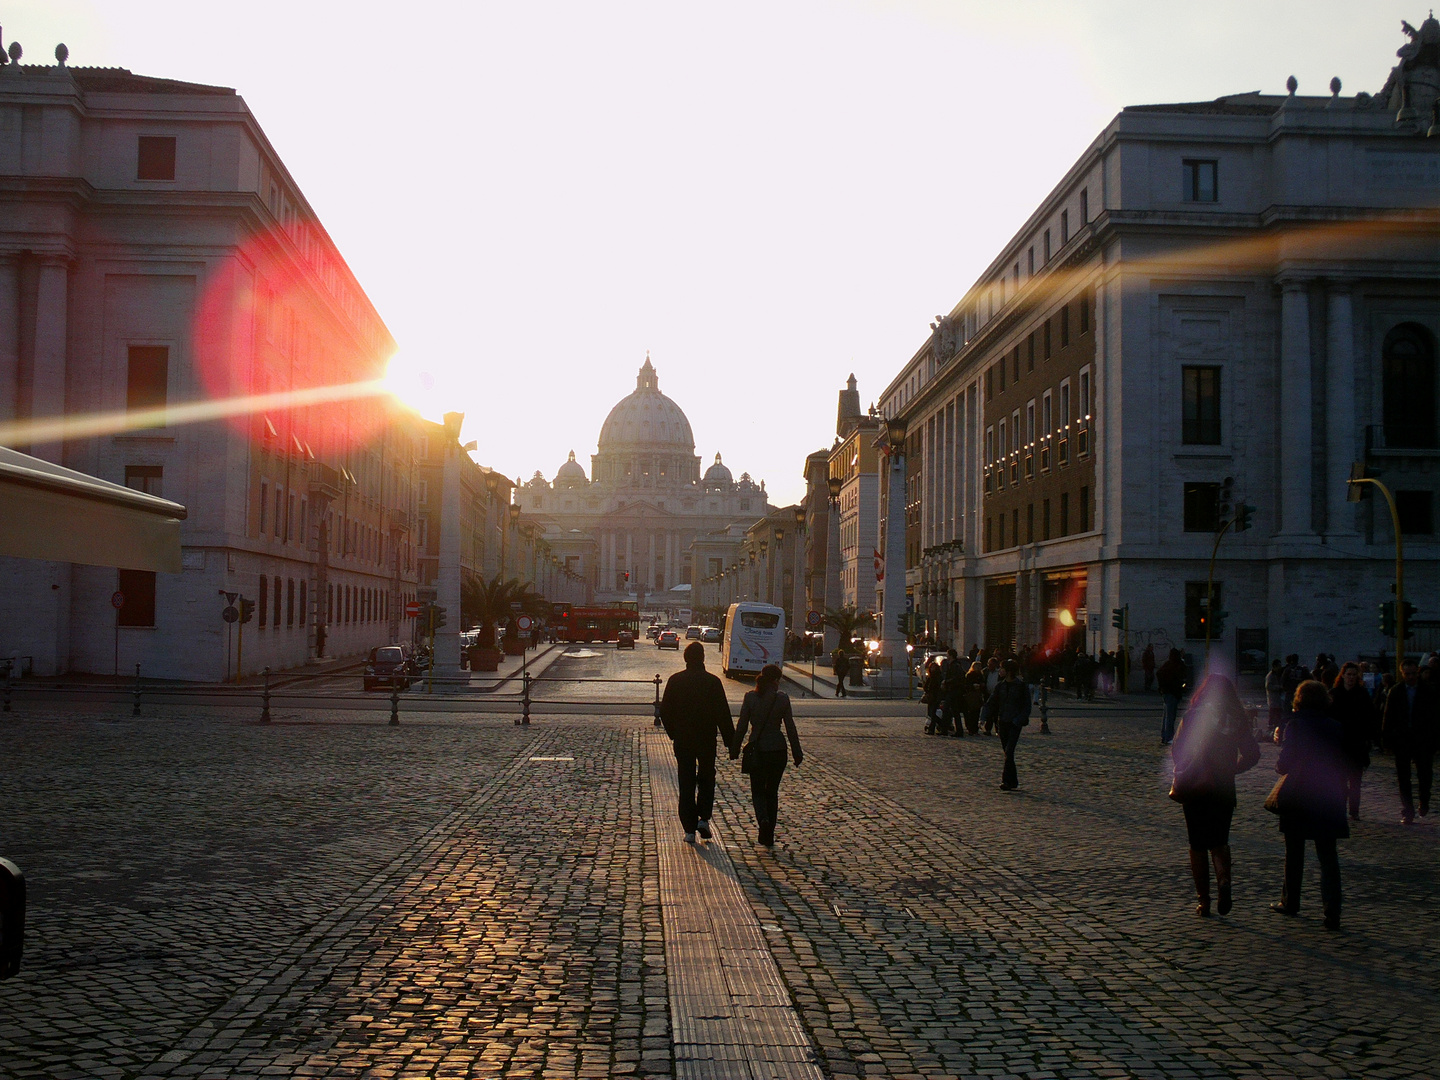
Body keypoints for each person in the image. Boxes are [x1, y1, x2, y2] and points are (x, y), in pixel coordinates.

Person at [1170, 674, 1260, 916]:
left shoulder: (1192, 717)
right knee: (1219, 841)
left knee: (1197, 844)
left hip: (1196, 787)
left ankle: (1204, 901)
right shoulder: (1236, 720)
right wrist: (1232, 770)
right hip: (1223, 788)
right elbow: (1253, 754)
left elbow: (1177, 750)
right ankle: (1224, 881)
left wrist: (1189, 766)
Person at [1272, 680, 1349, 930]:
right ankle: (1332, 912)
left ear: (1299, 700)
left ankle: (1290, 901)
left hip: (1299, 796)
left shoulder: (1295, 725)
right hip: (1328, 796)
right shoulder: (1335, 726)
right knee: (1328, 856)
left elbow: (1284, 764)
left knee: (1294, 853)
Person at [659, 641, 736, 843]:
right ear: (703, 658)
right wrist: (731, 742)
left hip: (684, 739)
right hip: (706, 739)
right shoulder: (712, 682)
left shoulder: (675, 681)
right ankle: (703, 817)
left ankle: (689, 829)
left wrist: (674, 733)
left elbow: (665, 711)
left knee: (686, 782)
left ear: (685, 658)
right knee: (707, 778)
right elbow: (723, 715)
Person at [731, 663, 803, 846]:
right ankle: (769, 833)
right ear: (776, 681)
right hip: (778, 750)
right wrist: (797, 752)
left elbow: (742, 726)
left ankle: (762, 819)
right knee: (772, 792)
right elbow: (790, 727)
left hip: (758, 750)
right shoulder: (782, 699)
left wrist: (735, 747)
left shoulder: (750, 698)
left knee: (757, 791)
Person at [1382, 658, 1440, 824]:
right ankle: (1408, 810)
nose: (1411, 677)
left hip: (1423, 738)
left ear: (1418, 672)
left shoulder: (1429, 690)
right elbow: (1388, 717)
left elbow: (1436, 718)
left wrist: (1435, 742)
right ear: (1402, 673)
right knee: (1403, 777)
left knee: (1425, 775)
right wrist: (1386, 740)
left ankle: (1424, 801)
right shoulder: (1396, 691)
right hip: (1402, 739)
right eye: (1407, 674)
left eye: (1414, 673)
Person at [1329, 662, 1373, 821]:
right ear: (1343, 675)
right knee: (1340, 780)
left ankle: (1354, 810)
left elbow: (1369, 718)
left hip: (1356, 744)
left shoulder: (1362, 695)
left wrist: (1367, 739)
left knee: (1355, 781)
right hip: (1339, 744)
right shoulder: (1334, 694)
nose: (1351, 678)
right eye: (1349, 674)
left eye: (1354, 675)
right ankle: (1340, 807)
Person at [984, 658, 1031, 789]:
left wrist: (1019, 719)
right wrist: (984, 716)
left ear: (1009, 671)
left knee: (1009, 751)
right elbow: (992, 702)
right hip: (1002, 721)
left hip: (1015, 722)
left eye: (1002, 668)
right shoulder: (1001, 686)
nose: (1000, 670)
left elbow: (1026, 706)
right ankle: (1013, 781)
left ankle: (1006, 781)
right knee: (1007, 752)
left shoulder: (1021, 686)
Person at [1156, 648, 1187, 745]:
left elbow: (1159, 673)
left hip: (1166, 692)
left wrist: (1162, 687)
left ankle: (1165, 736)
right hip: (1173, 692)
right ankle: (1168, 737)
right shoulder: (1177, 665)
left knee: (1167, 715)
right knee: (1170, 716)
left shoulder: (1168, 664)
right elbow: (1182, 677)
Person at [962, 661, 987, 736]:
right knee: (971, 713)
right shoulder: (970, 675)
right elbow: (966, 685)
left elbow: (983, 684)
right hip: (971, 696)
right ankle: (970, 728)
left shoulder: (981, 675)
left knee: (976, 713)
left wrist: (982, 686)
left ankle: (975, 729)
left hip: (978, 695)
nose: (978, 668)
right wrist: (973, 686)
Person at [921, 658, 944, 735]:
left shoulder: (937, 677)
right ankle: (942, 725)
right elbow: (926, 686)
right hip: (931, 697)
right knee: (931, 714)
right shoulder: (930, 677)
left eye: (934, 667)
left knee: (933, 713)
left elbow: (937, 687)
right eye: (931, 667)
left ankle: (932, 729)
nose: (932, 669)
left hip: (935, 697)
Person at [1264, 659, 1285, 740]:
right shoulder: (1270, 676)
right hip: (1273, 700)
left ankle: (1276, 732)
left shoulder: (1278, 675)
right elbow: (1268, 687)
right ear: (1275, 666)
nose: (1280, 667)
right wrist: (1279, 687)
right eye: (1278, 666)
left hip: (1278, 701)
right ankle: (1270, 733)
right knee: (1272, 717)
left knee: (1278, 717)